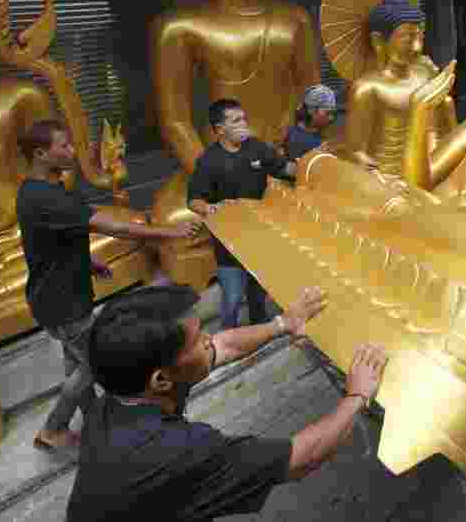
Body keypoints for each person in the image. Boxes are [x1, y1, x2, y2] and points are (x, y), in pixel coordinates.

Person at [66, 286, 388, 521]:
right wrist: (356, 395)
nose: (209, 339)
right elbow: (302, 457)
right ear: (161, 380)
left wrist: (282, 324)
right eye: (197, 339)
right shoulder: (177, 452)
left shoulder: (117, 395)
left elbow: (224, 345)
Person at [17, 120, 201, 451]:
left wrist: (87, 262)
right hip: (65, 304)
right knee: (94, 364)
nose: (72, 152)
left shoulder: (35, 190)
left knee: (76, 364)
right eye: (64, 146)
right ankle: (53, 428)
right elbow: (117, 229)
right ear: (41, 154)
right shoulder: (46, 197)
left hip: (50, 300)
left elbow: (49, 240)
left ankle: (91, 420)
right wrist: (167, 232)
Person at [189, 99, 297, 329]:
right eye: (236, 120)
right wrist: (210, 208)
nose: (244, 123)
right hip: (229, 244)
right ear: (220, 129)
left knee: (259, 293)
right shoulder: (209, 161)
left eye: (244, 118)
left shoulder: (256, 147)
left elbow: (286, 168)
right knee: (233, 299)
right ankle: (227, 338)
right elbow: (194, 200)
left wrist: (313, 166)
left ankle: (260, 331)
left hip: (258, 236)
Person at [283, 84, 337, 162]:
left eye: (332, 113)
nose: (331, 118)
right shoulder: (297, 139)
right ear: (312, 111)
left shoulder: (296, 131)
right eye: (328, 113)